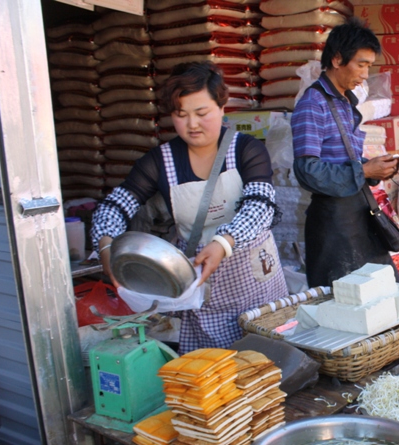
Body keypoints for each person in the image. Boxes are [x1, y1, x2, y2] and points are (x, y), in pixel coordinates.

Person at [91, 62, 288, 353]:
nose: (192, 124)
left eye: (201, 113)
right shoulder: (160, 162)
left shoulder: (246, 149)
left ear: (222, 108)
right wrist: (107, 245)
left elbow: (261, 206)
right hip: (202, 292)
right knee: (214, 375)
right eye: (181, 115)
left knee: (268, 363)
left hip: (257, 283)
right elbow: (114, 206)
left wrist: (224, 242)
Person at [291, 18, 399, 288]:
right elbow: (307, 171)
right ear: (338, 60)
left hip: (358, 213)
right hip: (333, 224)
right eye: (361, 64)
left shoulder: (344, 103)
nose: (365, 74)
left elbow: (342, 162)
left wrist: (375, 168)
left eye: (369, 66)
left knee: (383, 293)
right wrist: (363, 170)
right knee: (342, 303)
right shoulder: (312, 104)